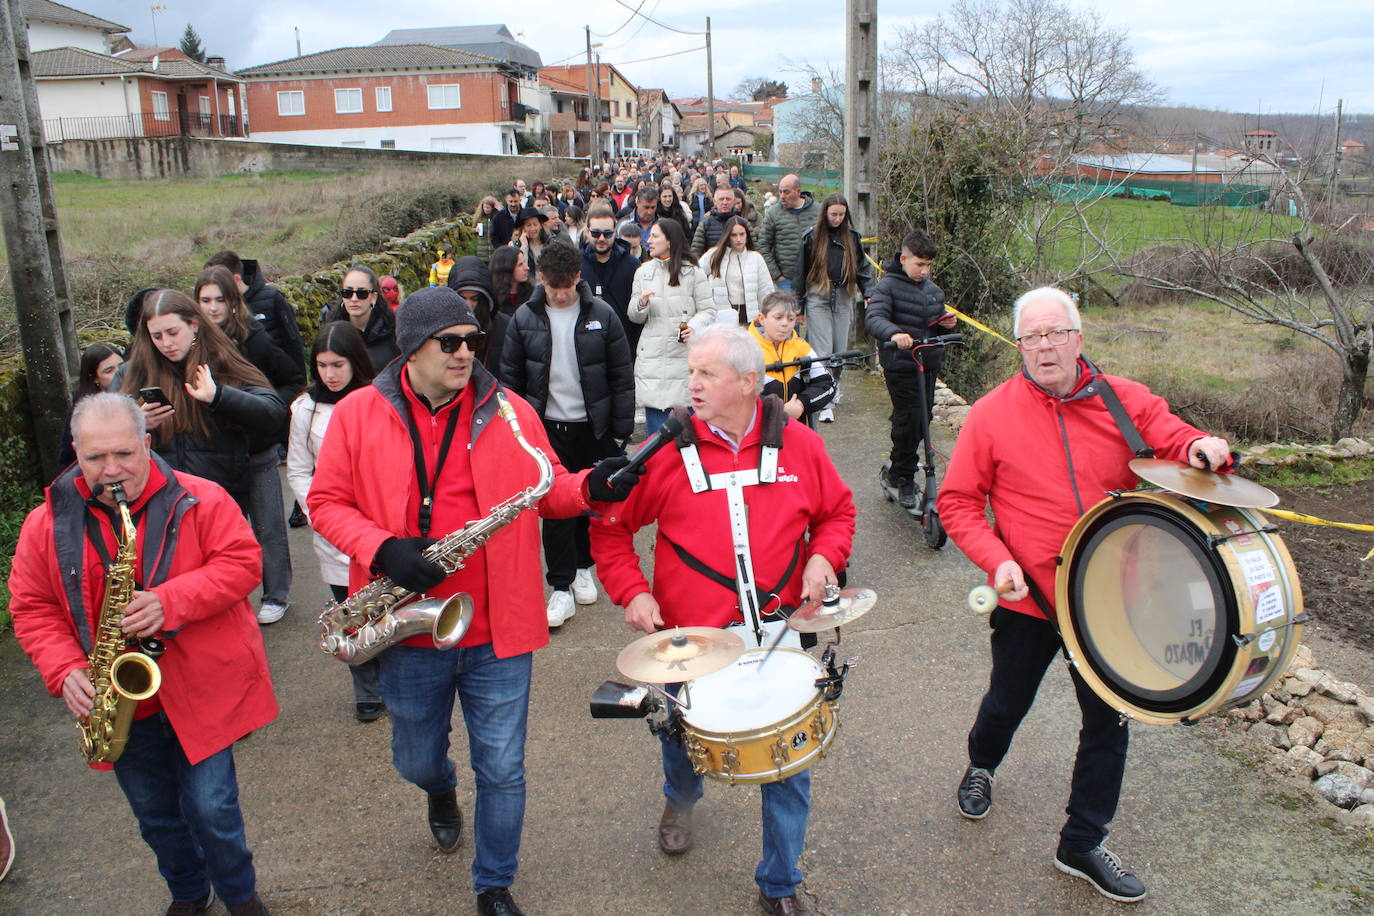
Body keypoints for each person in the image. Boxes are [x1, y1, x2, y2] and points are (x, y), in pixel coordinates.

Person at [306, 286, 642, 916]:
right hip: (406, 623)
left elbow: (549, 490)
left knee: (504, 769)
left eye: (473, 341)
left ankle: (494, 884)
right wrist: (383, 550)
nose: (466, 354)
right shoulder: (355, 414)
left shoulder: (511, 411)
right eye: (450, 343)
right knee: (414, 758)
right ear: (411, 348)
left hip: (496, 626)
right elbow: (324, 502)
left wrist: (594, 486)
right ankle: (438, 789)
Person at [937, 286, 1234, 905]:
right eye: (1031, 337)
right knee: (1005, 703)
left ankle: (1081, 840)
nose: (1044, 347)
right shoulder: (991, 414)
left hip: (1111, 601)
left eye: (1055, 333)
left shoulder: (1125, 401)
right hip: (1031, 599)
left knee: (1108, 720)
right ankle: (982, 763)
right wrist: (998, 561)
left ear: (1079, 337)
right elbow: (958, 502)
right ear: (1018, 345)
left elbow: (1178, 438)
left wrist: (1205, 447)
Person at [589, 325, 855, 916]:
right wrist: (632, 593)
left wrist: (821, 557)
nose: (692, 385)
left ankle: (779, 884)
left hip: (781, 636)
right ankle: (679, 800)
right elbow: (609, 530)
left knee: (789, 765)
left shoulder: (800, 447)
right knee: (682, 750)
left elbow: (837, 513)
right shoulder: (663, 452)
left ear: (748, 382)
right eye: (692, 372)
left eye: (706, 374)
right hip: (691, 646)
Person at [9, 392, 277, 916]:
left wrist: (169, 600)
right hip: (121, 702)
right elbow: (32, 608)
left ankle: (241, 897)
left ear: (147, 444)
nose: (111, 471)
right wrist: (64, 670)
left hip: (201, 689)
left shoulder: (202, 497)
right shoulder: (44, 525)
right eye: (94, 458)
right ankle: (187, 891)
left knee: (213, 808)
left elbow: (245, 564)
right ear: (76, 454)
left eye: (124, 455)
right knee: (154, 815)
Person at [499, 241, 634, 628]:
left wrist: (620, 432)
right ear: (540, 278)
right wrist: (516, 434)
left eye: (566, 286)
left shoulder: (603, 316)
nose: (559, 294)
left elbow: (621, 376)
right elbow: (510, 381)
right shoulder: (524, 318)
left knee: (589, 499)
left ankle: (583, 566)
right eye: (551, 286)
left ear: (578, 277)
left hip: (593, 426)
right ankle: (560, 587)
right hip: (546, 429)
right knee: (555, 508)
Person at [117, 289, 289, 532]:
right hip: (160, 501)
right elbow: (104, 431)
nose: (166, 343)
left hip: (219, 498)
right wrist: (136, 422)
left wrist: (220, 396)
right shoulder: (132, 372)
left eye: (173, 332)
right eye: (156, 336)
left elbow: (274, 412)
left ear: (194, 325)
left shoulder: (221, 361)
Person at [195, 266, 303, 624]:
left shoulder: (252, 339)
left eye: (219, 300)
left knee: (268, 526)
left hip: (256, 452)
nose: (212, 308)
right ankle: (227, 597)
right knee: (221, 530)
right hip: (215, 453)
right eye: (204, 300)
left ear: (233, 302)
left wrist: (267, 418)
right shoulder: (190, 344)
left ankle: (276, 595)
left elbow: (291, 379)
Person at [287, 322, 383, 722]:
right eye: (322, 365)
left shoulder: (380, 400)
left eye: (338, 364)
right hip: (333, 535)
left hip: (381, 528)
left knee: (387, 609)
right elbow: (297, 469)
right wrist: (320, 515)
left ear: (355, 362)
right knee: (352, 612)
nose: (330, 373)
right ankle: (367, 690)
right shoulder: (304, 410)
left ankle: (400, 682)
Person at [865, 228, 957, 507]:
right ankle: (904, 476)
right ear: (904, 258)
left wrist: (945, 324)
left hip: (927, 364)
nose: (925, 271)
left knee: (923, 420)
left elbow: (929, 322)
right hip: (901, 366)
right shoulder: (887, 287)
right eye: (919, 264)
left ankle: (896, 469)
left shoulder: (933, 291)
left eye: (929, 265)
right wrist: (894, 334)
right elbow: (874, 317)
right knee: (908, 420)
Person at [629, 219, 716, 434]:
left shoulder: (693, 273)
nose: (648, 240)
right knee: (658, 438)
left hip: (684, 357)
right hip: (653, 360)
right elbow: (633, 315)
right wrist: (641, 303)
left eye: (654, 236)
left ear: (670, 240)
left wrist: (694, 326)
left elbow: (709, 310)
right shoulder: (643, 272)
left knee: (690, 432)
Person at [795, 193, 871, 422]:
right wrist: (798, 308)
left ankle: (834, 386)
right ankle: (824, 399)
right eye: (833, 214)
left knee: (839, 348)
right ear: (825, 214)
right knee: (822, 350)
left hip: (844, 295)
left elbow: (863, 268)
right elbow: (799, 272)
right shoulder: (811, 237)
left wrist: (869, 293)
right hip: (818, 294)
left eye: (841, 214)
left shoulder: (853, 238)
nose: (837, 219)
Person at [204, 251, 305, 372]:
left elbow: (293, 341)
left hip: (279, 379)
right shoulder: (218, 310)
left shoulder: (273, 298)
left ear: (235, 279)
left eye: (219, 279)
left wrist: (299, 384)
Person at [750, 291, 835, 425]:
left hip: (795, 427)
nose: (785, 324)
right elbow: (735, 394)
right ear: (762, 318)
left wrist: (801, 403)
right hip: (757, 427)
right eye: (778, 317)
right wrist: (779, 409)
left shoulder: (801, 347)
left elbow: (827, 385)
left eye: (791, 319)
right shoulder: (746, 348)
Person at [580, 204, 642, 365]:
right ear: (587, 232)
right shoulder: (575, 265)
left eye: (607, 234)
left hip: (625, 349)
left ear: (615, 232)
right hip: (586, 350)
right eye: (596, 233)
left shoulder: (632, 265)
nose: (601, 238)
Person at [57, 343, 126, 466]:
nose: (119, 374)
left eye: (121, 367)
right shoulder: (84, 411)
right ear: (95, 378)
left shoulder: (139, 393)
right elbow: (68, 457)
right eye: (109, 371)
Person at [324, 264, 400, 371]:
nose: (354, 299)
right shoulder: (331, 335)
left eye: (362, 293)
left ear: (374, 297)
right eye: (347, 293)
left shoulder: (394, 334)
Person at [706, 216, 775, 326]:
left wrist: (768, 315)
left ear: (747, 235)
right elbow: (697, 277)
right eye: (734, 235)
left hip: (749, 316)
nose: (738, 239)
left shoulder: (756, 258)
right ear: (727, 236)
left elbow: (766, 290)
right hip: (722, 316)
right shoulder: (714, 255)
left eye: (742, 234)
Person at [759, 174, 816, 293]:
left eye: (786, 192)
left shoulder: (818, 211)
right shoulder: (773, 213)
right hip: (786, 280)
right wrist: (777, 276)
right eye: (780, 192)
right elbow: (763, 245)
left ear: (798, 191)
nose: (782, 196)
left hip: (814, 279)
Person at [446, 256, 501, 374]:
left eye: (474, 299)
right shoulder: (443, 327)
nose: (468, 304)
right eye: (462, 298)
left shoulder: (503, 326)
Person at [489, 247, 533, 379]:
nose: (527, 268)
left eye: (525, 263)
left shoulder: (532, 295)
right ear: (507, 268)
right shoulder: (493, 299)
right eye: (520, 264)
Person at [691, 185, 740, 256]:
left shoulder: (742, 223)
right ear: (715, 201)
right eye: (721, 199)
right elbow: (696, 253)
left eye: (728, 199)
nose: (725, 202)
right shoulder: (705, 225)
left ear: (734, 201)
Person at [618, 187, 660, 255]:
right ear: (637, 202)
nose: (649, 212)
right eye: (646, 207)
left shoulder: (662, 225)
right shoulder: (624, 224)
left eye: (653, 207)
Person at [512, 207, 549, 274]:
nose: (533, 228)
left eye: (535, 224)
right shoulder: (516, 246)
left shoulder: (550, 242)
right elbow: (521, 269)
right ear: (523, 228)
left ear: (540, 226)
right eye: (528, 225)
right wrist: (524, 246)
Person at [473, 196, 500, 262]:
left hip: (494, 250)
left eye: (488, 207)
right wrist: (475, 230)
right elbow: (472, 230)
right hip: (482, 251)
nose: (486, 209)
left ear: (492, 207)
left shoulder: (497, 217)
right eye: (484, 207)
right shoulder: (479, 218)